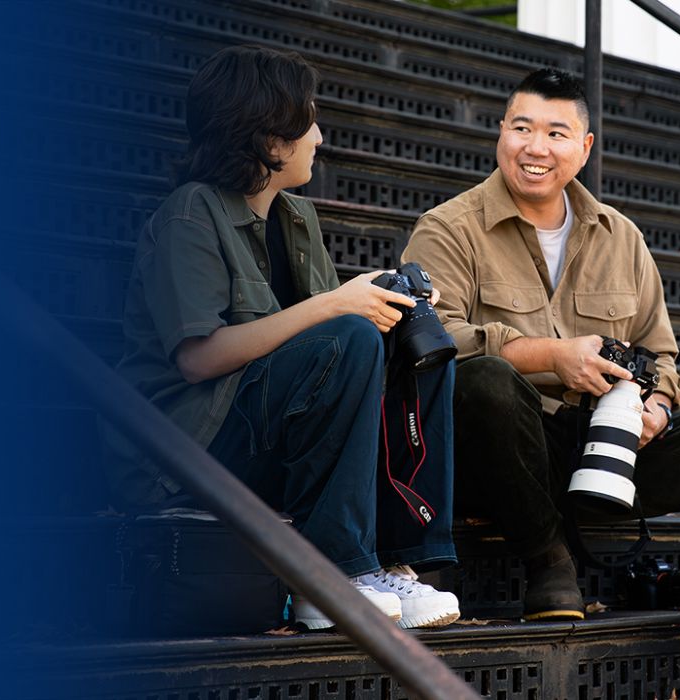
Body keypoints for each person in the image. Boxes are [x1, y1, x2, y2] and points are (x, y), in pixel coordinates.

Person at [403, 68, 680, 699]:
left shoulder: (621, 236)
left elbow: (663, 355)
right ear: (500, 133)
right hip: (500, 447)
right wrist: (551, 355)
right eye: (522, 128)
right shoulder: (449, 227)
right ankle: (549, 562)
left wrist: (658, 409)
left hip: (604, 447)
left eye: (557, 133)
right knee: (486, 381)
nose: (536, 147)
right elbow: (434, 340)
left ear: (584, 148)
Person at [109, 45, 459, 631]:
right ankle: (328, 576)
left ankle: (395, 561)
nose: (320, 135)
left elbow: (333, 344)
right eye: (309, 121)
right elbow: (199, 358)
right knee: (350, 333)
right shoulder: (190, 213)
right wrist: (336, 305)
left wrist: (384, 307)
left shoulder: (297, 216)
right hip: (187, 448)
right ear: (271, 141)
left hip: (266, 428)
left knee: (415, 345)